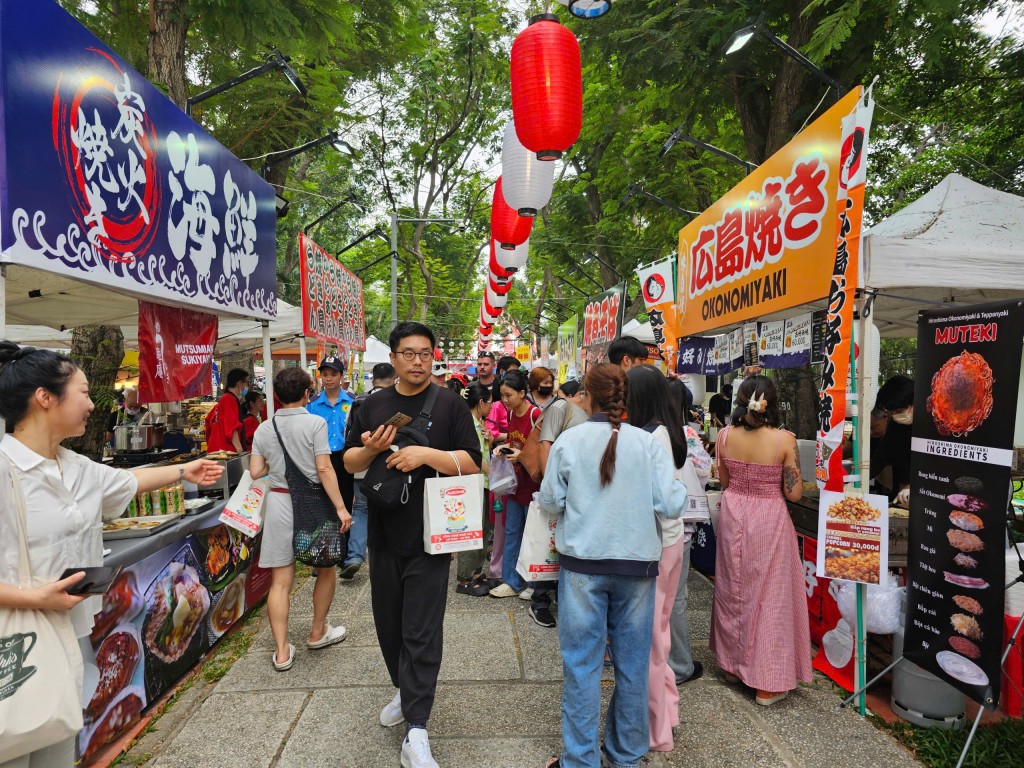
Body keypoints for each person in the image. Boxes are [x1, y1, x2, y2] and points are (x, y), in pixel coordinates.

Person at [0, 342, 223, 768]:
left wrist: (184, 470)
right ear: (45, 398)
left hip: (73, 636)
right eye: (83, 392)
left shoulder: (75, 465)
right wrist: (36, 599)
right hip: (15, 644)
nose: (92, 403)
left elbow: (126, 483)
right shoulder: (5, 470)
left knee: (59, 750)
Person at [343, 322, 481, 768]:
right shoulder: (370, 405)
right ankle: (405, 691)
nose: (417, 361)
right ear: (395, 357)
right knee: (388, 627)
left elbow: (472, 462)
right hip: (384, 533)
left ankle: (417, 729)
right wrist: (373, 450)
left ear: (434, 356)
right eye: (409, 353)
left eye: (425, 353)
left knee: (421, 631)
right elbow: (348, 461)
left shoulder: (450, 405)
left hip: (434, 535)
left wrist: (425, 455)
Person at [538, 363, 686, 768]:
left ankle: (580, 760)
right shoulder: (648, 442)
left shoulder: (570, 441)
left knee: (581, 665)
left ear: (587, 395)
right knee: (634, 665)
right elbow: (671, 504)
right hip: (636, 568)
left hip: (582, 566)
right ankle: (626, 756)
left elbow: (549, 499)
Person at [710, 375, 812, 706]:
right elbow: (793, 493)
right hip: (769, 517)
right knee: (769, 594)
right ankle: (766, 682)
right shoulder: (785, 440)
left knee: (732, 588)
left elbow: (724, 480)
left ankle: (731, 666)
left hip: (734, 512)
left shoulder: (724, 436)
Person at [249, 367, 352, 672]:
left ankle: (281, 652)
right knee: (325, 569)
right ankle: (318, 632)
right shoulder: (315, 423)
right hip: (313, 503)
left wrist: (276, 463)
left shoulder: (264, 428)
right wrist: (341, 508)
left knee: (281, 582)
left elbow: (256, 472)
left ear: (277, 396)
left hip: (279, 500)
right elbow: (323, 469)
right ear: (308, 392)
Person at [625, 365, 690, 753]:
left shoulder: (655, 436)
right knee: (655, 635)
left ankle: (655, 730)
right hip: (662, 542)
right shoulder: (658, 431)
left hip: (659, 544)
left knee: (650, 637)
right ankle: (664, 713)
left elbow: (666, 502)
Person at [527, 377, 589, 629]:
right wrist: (549, 486)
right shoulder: (561, 408)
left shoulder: (596, 415)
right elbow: (545, 445)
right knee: (548, 545)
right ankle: (539, 601)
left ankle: (565, 601)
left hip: (581, 492)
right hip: (560, 489)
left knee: (564, 547)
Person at [664, 378, 713, 687]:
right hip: (679, 527)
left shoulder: (642, 433)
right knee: (676, 597)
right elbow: (706, 471)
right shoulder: (686, 434)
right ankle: (680, 664)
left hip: (649, 527)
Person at [489, 369, 542, 599]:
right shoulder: (511, 415)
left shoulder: (536, 415)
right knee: (512, 532)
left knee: (533, 535)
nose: (505, 400)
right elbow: (513, 440)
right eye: (502, 395)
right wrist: (504, 448)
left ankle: (532, 582)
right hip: (514, 484)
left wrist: (519, 455)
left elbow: (542, 451)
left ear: (522, 393)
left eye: (509, 395)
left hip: (533, 486)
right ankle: (511, 580)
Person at [342, 363, 398, 582]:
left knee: (361, 510)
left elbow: (349, 435)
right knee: (392, 512)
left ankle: (354, 557)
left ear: (372, 379)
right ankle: (390, 561)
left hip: (362, 467)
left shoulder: (358, 402)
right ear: (395, 378)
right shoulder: (397, 401)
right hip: (391, 469)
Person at [306, 357, 357, 577]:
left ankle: (344, 554)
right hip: (322, 459)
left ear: (341, 376)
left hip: (345, 458)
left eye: (333, 374)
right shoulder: (313, 404)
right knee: (323, 506)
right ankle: (323, 555)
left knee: (345, 504)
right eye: (324, 374)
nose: (328, 379)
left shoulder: (352, 401)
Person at [455, 382, 494, 597]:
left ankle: (477, 573)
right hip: (473, 483)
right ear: (480, 403)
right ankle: (465, 578)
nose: (491, 406)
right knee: (473, 530)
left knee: (483, 529)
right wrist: (495, 474)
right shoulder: (469, 425)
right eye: (489, 403)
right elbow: (474, 459)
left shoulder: (478, 423)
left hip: (481, 483)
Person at [874, 375, 914, 504]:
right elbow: (880, 457)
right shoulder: (896, 426)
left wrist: (914, 486)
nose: (895, 416)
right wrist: (857, 479)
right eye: (891, 412)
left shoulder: (937, 425)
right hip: (900, 488)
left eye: (899, 410)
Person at [206, 368, 249, 452]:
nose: (247, 386)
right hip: (225, 451)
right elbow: (232, 427)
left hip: (217, 449)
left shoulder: (225, 399)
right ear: (239, 383)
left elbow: (208, 422)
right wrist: (240, 450)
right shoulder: (229, 399)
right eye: (247, 383)